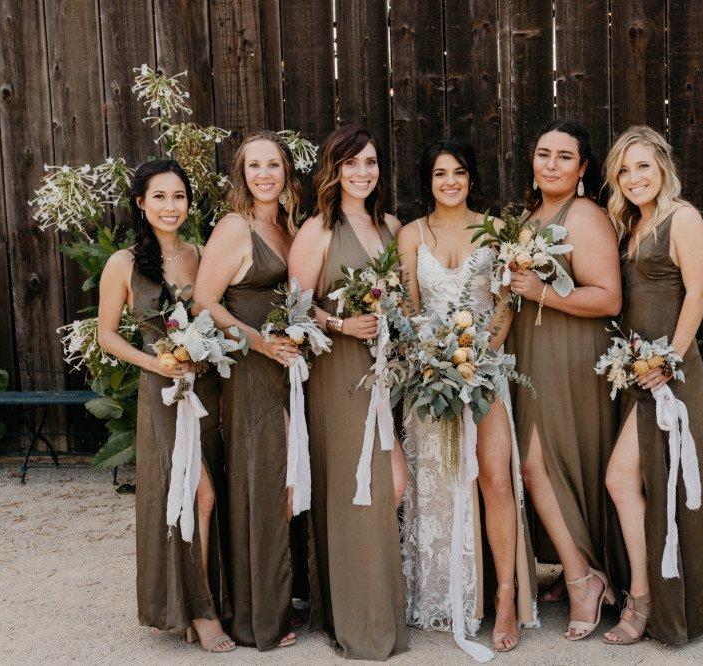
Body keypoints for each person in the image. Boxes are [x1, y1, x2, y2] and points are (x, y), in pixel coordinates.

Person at [397, 139, 539, 658]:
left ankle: (504, 598)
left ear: (471, 178)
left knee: (496, 479)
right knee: (433, 485)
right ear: (428, 181)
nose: (450, 182)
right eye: (440, 174)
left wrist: (479, 356)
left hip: (486, 370)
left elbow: (506, 305)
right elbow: (411, 306)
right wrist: (436, 359)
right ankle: (441, 594)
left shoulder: (498, 232)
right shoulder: (412, 234)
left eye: (458, 172)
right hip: (432, 374)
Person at [97, 159, 233, 653]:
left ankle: (206, 599)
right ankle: (200, 611)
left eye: (179, 197)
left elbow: (219, 315)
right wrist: (156, 365)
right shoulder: (123, 264)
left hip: (210, 388)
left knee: (214, 493)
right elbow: (106, 335)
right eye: (159, 197)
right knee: (197, 494)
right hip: (163, 394)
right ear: (140, 203)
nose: (170, 206)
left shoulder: (202, 255)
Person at [287, 125, 408, 660]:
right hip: (337, 373)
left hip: (384, 371)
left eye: (371, 162)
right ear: (334, 170)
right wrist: (340, 325)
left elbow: (405, 298)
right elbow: (292, 308)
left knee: (389, 485)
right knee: (354, 489)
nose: (363, 172)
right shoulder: (316, 229)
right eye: (352, 163)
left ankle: (374, 611)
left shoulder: (390, 226)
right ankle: (355, 622)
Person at [506, 119, 626, 641]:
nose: (550, 164)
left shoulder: (585, 215)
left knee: (540, 462)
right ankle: (577, 560)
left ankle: (585, 581)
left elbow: (608, 296)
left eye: (563, 157)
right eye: (542, 153)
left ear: (582, 168)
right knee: (543, 461)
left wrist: (543, 295)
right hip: (531, 351)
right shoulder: (530, 215)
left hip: (570, 351)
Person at [601, 125, 703, 646]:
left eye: (643, 166)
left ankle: (648, 602)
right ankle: (650, 593)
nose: (634, 177)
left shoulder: (681, 218)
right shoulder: (629, 224)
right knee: (639, 483)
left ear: (663, 167)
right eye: (624, 170)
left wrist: (668, 360)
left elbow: (698, 291)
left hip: (669, 374)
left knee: (628, 481)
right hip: (634, 373)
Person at [193, 131, 302, 650]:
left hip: (292, 369)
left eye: (274, 164)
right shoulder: (235, 227)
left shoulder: (288, 225)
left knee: (287, 481)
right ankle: (260, 616)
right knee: (262, 480)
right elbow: (205, 302)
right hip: (254, 369)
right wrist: (258, 343)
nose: (265, 174)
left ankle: (285, 595)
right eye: (255, 166)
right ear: (243, 174)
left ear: (286, 171)